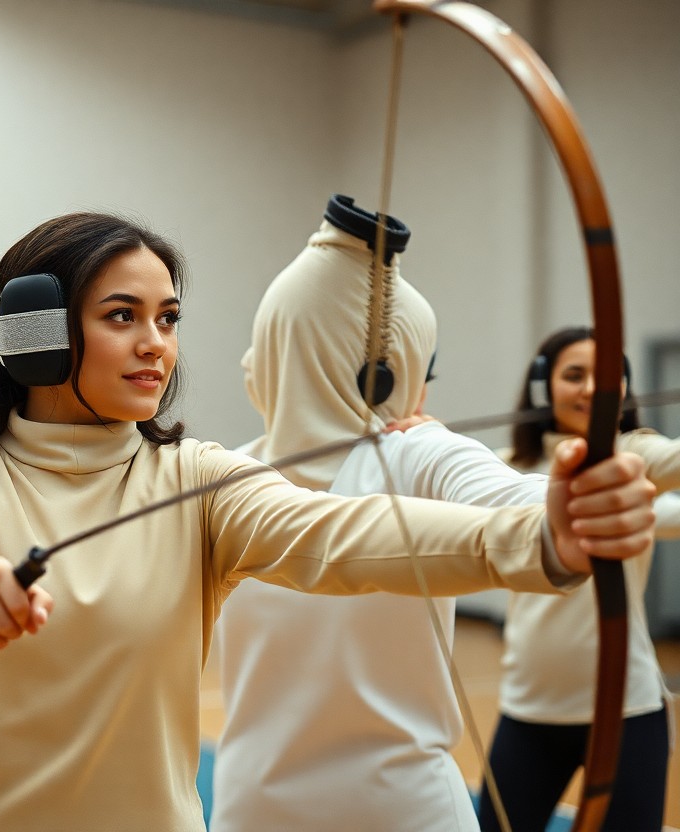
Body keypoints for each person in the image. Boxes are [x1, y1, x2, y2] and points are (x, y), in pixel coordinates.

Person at [0, 211, 655, 832]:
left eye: (169, 318)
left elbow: (345, 536)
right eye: (123, 316)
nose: (156, 343)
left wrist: (541, 538)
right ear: (37, 334)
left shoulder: (198, 479)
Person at [209, 195, 652, 831]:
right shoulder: (221, 475)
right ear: (388, 376)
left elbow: (511, 498)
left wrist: (572, 510)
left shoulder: (416, 453)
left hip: (401, 812)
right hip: (252, 811)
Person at [475, 325, 680, 832]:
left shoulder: (633, 455)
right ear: (544, 387)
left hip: (626, 712)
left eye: (606, 376)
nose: (591, 388)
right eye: (574, 376)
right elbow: (434, 491)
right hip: (530, 709)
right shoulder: (508, 467)